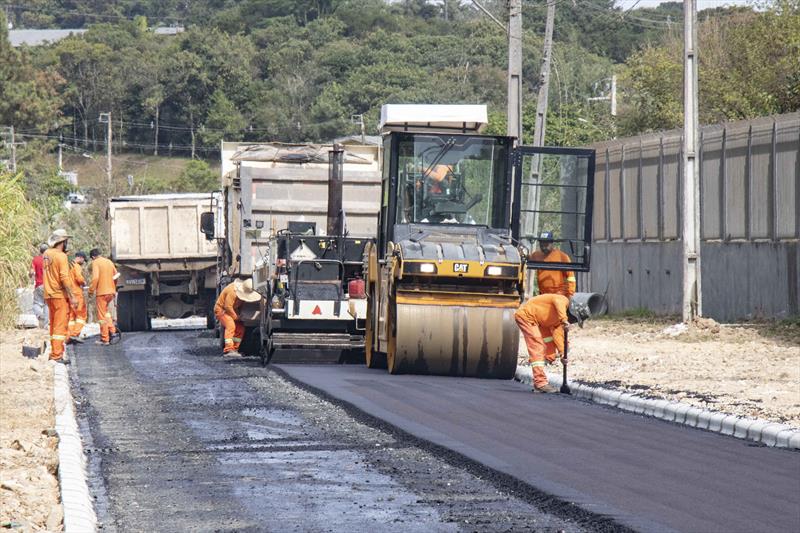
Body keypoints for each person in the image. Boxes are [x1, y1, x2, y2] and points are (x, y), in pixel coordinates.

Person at [515, 293, 578, 393]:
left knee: (548, 342)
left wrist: (563, 354)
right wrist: (564, 320)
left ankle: (546, 362)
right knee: (537, 347)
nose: (573, 322)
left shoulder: (558, 322)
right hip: (527, 316)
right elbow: (557, 302)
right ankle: (540, 383)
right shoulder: (563, 300)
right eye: (574, 320)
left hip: (539, 322)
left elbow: (559, 337)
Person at [43, 230, 78, 364]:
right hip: (59, 295)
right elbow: (64, 277)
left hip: (49, 294)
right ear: (62, 242)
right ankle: (57, 355)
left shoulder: (47, 254)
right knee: (59, 325)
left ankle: (54, 352)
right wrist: (72, 295)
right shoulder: (61, 256)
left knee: (53, 324)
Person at [214, 278, 261, 358]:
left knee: (240, 328)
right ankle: (228, 349)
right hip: (222, 310)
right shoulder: (232, 291)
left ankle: (235, 348)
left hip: (233, 311)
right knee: (230, 325)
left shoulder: (242, 293)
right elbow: (228, 307)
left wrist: (239, 317)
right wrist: (236, 317)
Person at [529, 232, 576, 298]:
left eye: (546, 244)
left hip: (560, 294)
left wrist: (570, 294)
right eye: (541, 245)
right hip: (543, 294)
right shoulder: (536, 255)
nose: (543, 247)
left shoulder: (562, 257)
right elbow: (526, 260)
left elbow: (571, 277)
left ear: (552, 243)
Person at [89, 248, 118, 346]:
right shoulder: (109, 262)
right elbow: (116, 275)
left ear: (93, 257)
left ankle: (105, 339)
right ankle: (113, 331)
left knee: (101, 317)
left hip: (101, 293)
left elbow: (95, 278)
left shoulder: (96, 262)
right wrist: (113, 286)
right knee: (106, 314)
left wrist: (91, 290)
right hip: (111, 291)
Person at [68, 251, 88, 342]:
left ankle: (69, 336)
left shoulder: (68, 265)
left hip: (69, 293)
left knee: (71, 316)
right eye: (83, 260)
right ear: (80, 258)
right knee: (81, 315)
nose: (83, 262)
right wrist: (83, 282)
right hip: (76, 293)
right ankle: (75, 334)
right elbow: (79, 278)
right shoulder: (76, 266)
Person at [30, 243, 49, 328]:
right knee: (47, 304)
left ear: (40, 250)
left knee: (36, 304)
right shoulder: (49, 260)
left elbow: (31, 272)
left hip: (39, 285)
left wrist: (31, 276)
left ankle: (39, 314)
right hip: (49, 285)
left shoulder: (35, 260)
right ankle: (45, 325)